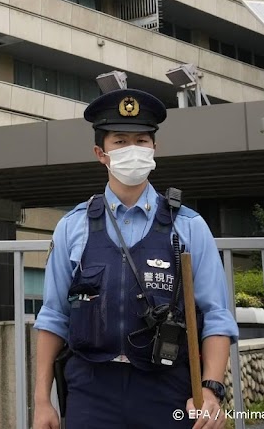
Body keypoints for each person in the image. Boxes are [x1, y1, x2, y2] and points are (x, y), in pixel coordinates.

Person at [32, 89, 238, 429]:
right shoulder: (73, 227)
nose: (133, 150)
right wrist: (42, 401)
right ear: (101, 153)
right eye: (120, 141)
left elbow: (216, 316)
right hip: (90, 388)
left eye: (142, 140)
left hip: (167, 387)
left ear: (154, 148)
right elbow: (54, 316)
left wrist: (210, 389)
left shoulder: (188, 226)